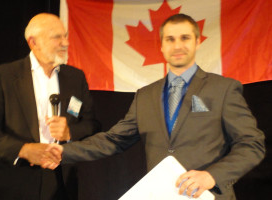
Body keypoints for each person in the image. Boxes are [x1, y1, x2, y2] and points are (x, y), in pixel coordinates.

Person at [44, 14, 265, 200]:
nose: (177, 45)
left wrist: (211, 176)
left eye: (185, 38)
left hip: (208, 195)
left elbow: (252, 145)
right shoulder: (145, 96)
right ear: (161, 45)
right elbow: (113, 140)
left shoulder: (223, 89)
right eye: (170, 39)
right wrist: (62, 151)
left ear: (198, 42)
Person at [0, 13, 100, 200]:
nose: (65, 42)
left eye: (65, 36)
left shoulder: (75, 77)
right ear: (33, 42)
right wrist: (23, 149)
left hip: (62, 183)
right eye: (57, 37)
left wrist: (69, 132)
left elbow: (92, 125)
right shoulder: (5, 76)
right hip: (14, 182)